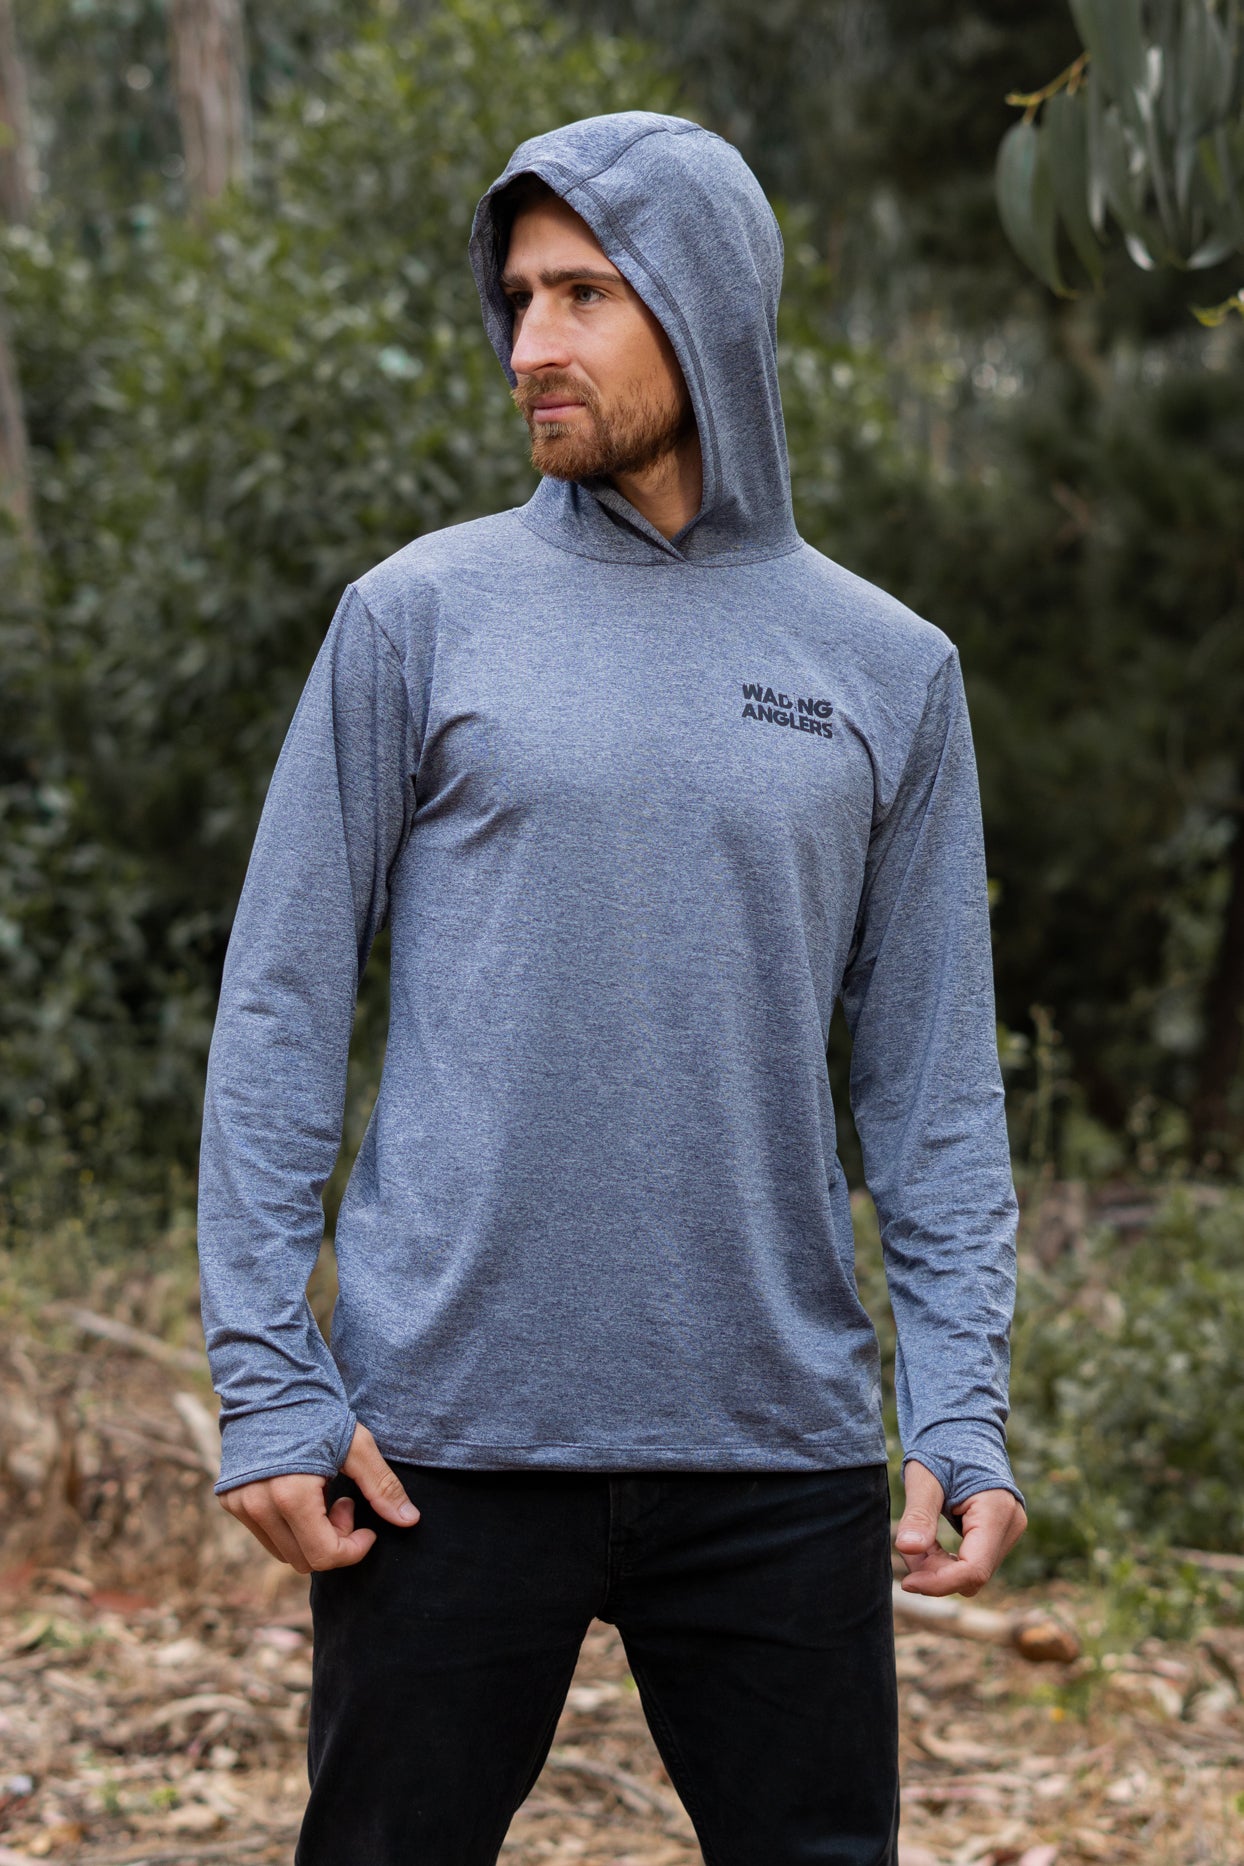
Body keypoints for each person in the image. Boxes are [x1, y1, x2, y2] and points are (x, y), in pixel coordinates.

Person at [197, 110, 1027, 1866]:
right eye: (517, 297)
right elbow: (278, 1005)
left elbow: (935, 1086)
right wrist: (269, 1375)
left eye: (584, 293)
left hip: (775, 1448)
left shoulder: (889, 668)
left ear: (702, 301)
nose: (529, 344)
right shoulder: (416, 617)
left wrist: (958, 1405)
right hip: (439, 1448)